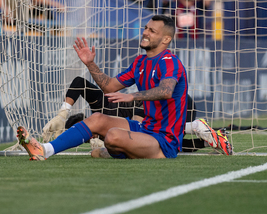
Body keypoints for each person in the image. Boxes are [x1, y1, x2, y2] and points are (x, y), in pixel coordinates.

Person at [16, 15, 215, 161]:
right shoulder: (140, 62)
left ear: (166, 39)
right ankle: (45, 149)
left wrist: (132, 97)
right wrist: (90, 64)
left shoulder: (170, 61)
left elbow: (166, 91)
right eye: (146, 28)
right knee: (96, 119)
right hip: (146, 129)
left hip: (165, 140)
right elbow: (109, 86)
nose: (145, 32)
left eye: (152, 31)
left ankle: (119, 151)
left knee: (112, 136)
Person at [42, 76, 231, 155]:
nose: (91, 136)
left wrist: (63, 114)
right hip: (168, 112)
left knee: (145, 137)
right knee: (160, 146)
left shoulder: (101, 105)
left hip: (173, 103)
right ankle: (210, 139)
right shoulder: (103, 125)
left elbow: (79, 82)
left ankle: (195, 127)